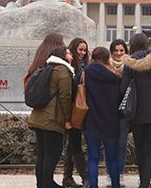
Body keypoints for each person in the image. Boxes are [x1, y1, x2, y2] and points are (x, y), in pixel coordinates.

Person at [119, 33, 151, 188]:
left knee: (140, 147)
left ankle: (143, 181)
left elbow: (123, 89)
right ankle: (145, 183)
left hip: (137, 111)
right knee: (149, 147)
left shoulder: (130, 64)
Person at [28, 45, 75, 188]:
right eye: (68, 53)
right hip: (52, 119)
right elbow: (65, 97)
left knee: (42, 154)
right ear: (62, 55)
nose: (71, 55)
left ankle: (41, 183)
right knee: (52, 155)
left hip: (38, 117)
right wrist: (67, 119)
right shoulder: (63, 70)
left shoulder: (47, 67)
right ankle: (48, 183)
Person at [82, 47, 122, 188]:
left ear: (93, 57)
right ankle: (115, 185)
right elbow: (120, 98)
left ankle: (93, 186)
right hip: (111, 121)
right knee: (113, 158)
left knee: (93, 158)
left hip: (91, 120)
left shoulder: (86, 73)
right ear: (108, 57)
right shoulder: (115, 76)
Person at [62, 38, 90, 188]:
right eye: (80, 49)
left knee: (71, 145)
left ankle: (67, 177)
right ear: (73, 49)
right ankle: (85, 176)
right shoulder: (68, 67)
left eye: (84, 50)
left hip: (80, 110)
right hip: (72, 111)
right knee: (75, 144)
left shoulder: (85, 66)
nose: (82, 53)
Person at [108, 39, 128, 187]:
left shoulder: (129, 66)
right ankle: (110, 174)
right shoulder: (106, 66)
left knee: (121, 144)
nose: (119, 53)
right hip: (108, 110)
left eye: (122, 50)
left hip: (125, 111)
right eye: (116, 50)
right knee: (109, 144)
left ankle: (119, 173)